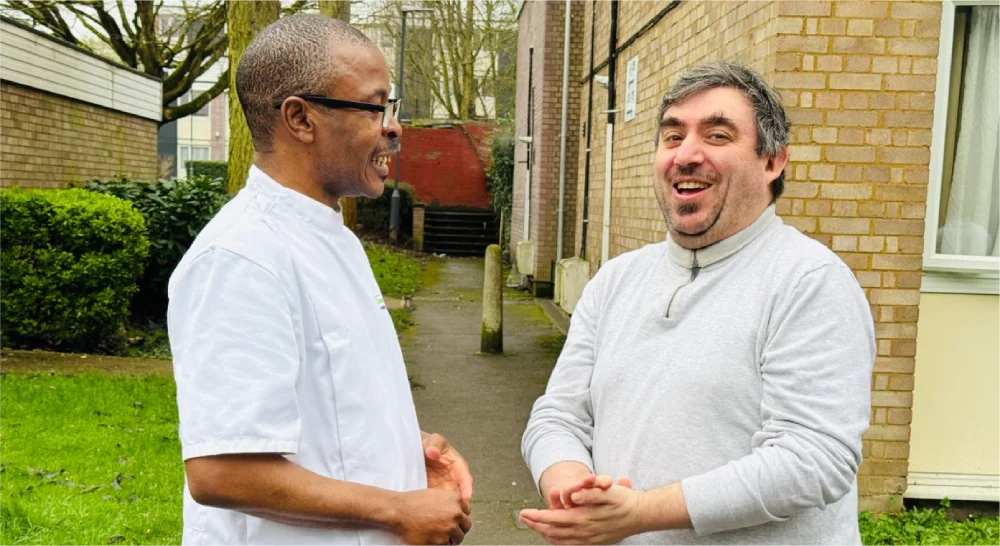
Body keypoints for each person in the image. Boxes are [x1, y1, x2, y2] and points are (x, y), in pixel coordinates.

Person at [519, 62, 876, 545]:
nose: (686, 155)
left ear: (773, 162)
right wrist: (571, 487)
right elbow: (559, 415)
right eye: (672, 136)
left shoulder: (809, 281)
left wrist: (641, 512)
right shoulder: (616, 280)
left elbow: (812, 459)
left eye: (717, 135)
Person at [167, 14, 472, 546]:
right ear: (300, 119)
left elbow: (331, 403)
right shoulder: (241, 258)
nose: (394, 127)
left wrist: (407, 449)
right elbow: (221, 470)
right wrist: (396, 508)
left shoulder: (333, 238)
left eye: (392, 107)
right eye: (376, 107)